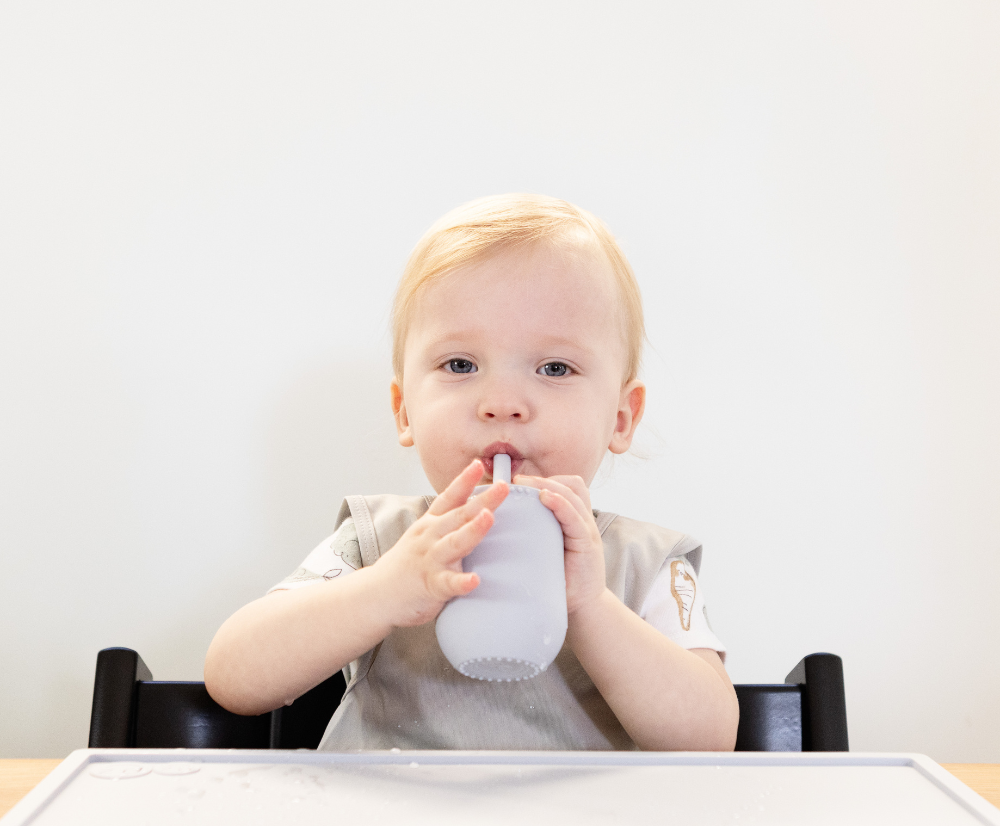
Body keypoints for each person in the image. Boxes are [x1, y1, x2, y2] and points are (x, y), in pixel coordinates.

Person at [204, 194, 739, 752]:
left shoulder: (643, 562)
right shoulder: (381, 541)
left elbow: (710, 738)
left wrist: (592, 607)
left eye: (554, 367)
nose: (502, 402)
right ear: (405, 411)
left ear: (622, 418)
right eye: (460, 365)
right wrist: (384, 591)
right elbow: (234, 677)